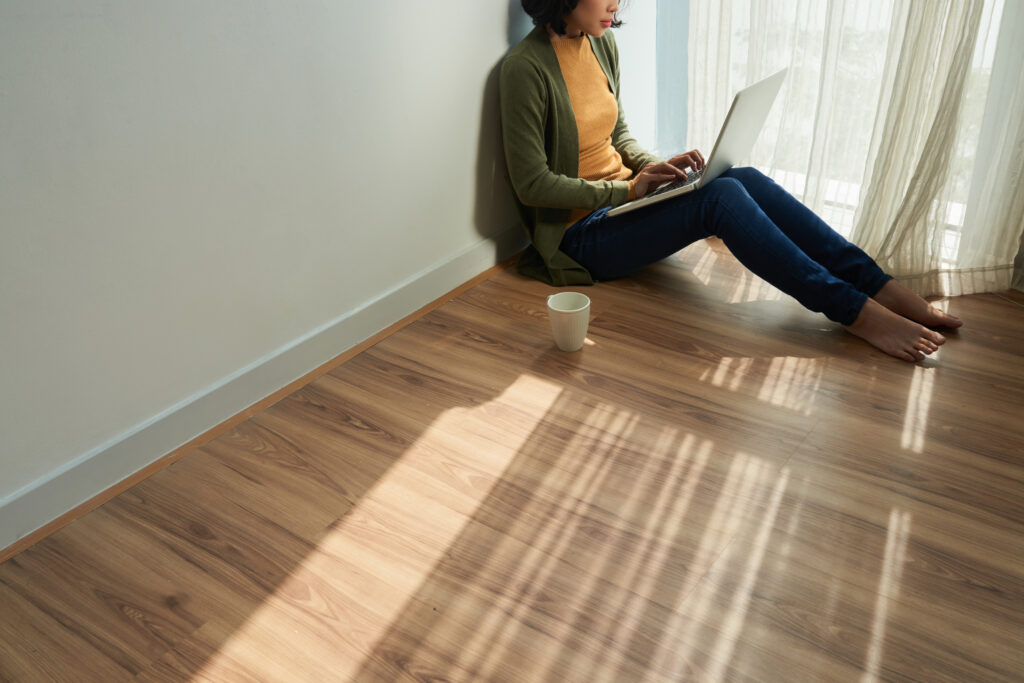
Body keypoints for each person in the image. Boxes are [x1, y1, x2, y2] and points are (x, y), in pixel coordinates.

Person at [500, 0, 963, 362]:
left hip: (624, 204)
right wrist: (628, 189)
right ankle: (856, 312)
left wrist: (656, 170)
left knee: (740, 177)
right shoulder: (525, 69)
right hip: (579, 236)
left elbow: (617, 132)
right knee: (718, 199)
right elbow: (532, 184)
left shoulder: (599, 43)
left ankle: (877, 285)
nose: (618, 5)